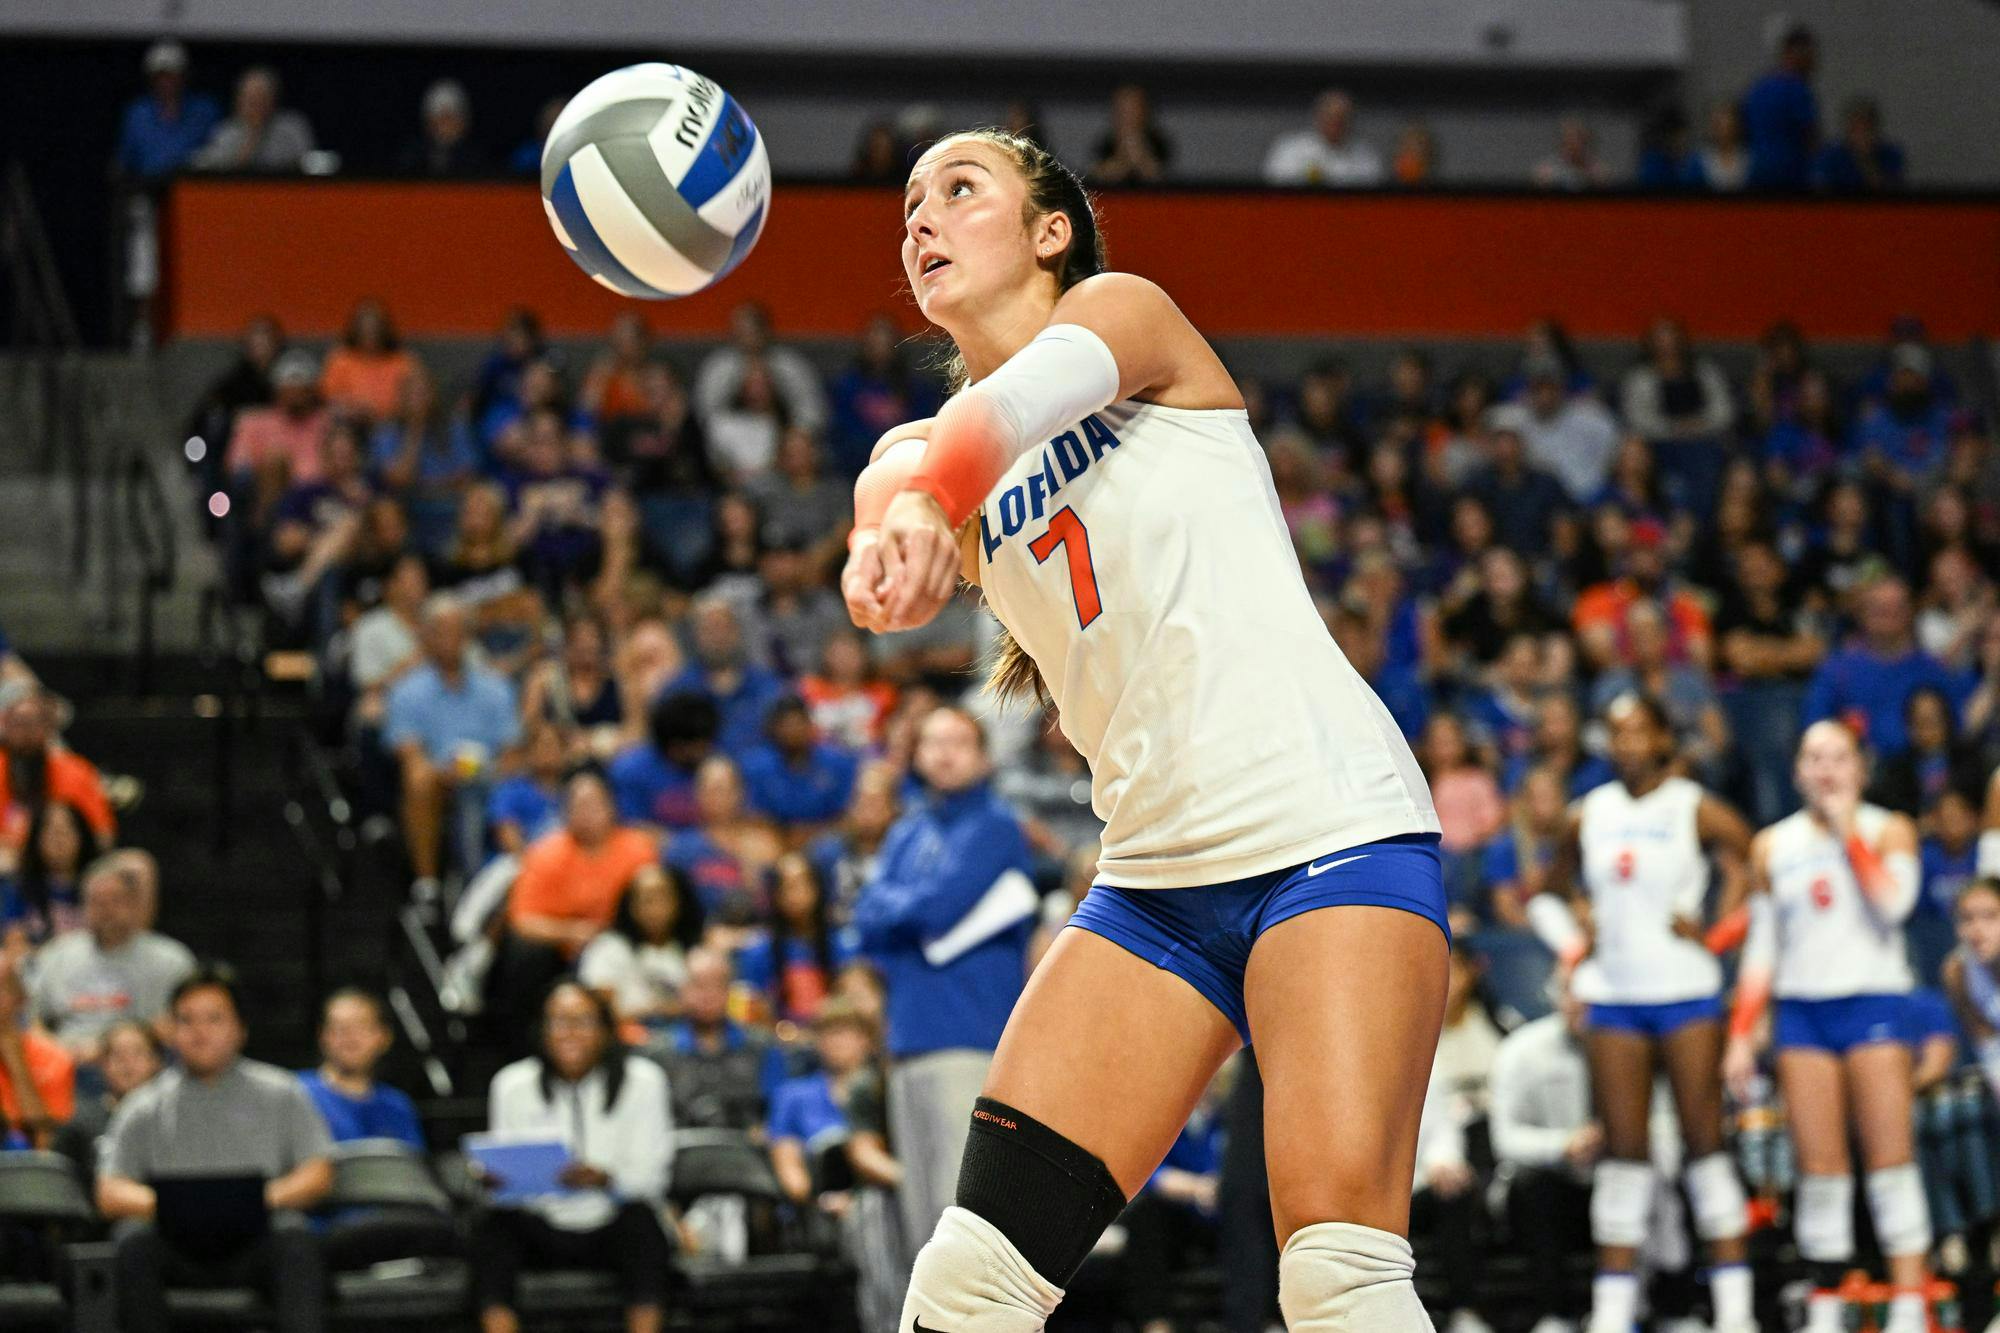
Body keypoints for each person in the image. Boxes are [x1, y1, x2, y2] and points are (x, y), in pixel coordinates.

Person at [848, 126, 1447, 1328]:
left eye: (958, 191)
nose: (919, 218)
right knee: (967, 1286)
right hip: (1156, 884)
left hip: (1326, 831)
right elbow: (895, 501)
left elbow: (1001, 418)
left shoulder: (1127, 316)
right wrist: (888, 555)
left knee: (1334, 1276)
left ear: (1049, 231)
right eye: (907, 202)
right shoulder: (910, 455)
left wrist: (923, 505)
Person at [1527, 693, 1756, 1333]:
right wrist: (1574, 943)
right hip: (1615, 997)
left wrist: (1717, 925)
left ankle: (1735, 1314)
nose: (1626, 743)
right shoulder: (1589, 812)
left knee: (1704, 1145)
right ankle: (1612, 1315)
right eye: (1616, 732)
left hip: (1687, 992)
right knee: (1624, 1153)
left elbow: (1753, 862)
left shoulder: (1691, 804)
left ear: (1662, 738)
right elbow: (1547, 894)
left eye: (1639, 732)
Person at [1724, 721, 1931, 1333]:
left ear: (1859, 768)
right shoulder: (1772, 845)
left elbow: (1894, 905)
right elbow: (1762, 946)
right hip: (1803, 1012)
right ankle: (1825, 1306)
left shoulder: (1889, 828)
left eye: (1838, 758)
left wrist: (1847, 835)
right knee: (1820, 1171)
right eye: (1813, 758)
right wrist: (1741, 1032)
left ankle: (1910, 1303)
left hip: (1872, 1004)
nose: (1826, 770)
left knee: (1891, 1161)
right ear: (1796, 771)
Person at [851, 707, 1036, 1255]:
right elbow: (865, 915)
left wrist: (901, 909)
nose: (944, 753)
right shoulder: (906, 831)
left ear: (983, 756)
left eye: (957, 742)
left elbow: (935, 909)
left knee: (964, 1221)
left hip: (970, 1037)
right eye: (931, 742)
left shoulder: (997, 827)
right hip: (908, 1041)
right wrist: (908, 910)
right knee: (918, 1223)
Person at [96, 964, 333, 1333]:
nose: (199, 1032)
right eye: (186, 1020)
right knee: (131, 1241)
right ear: (172, 1031)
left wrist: (259, 1201)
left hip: (256, 1242)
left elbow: (318, 1173)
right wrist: (179, 1208)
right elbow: (110, 1191)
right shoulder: (142, 1106)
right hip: (173, 1244)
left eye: (213, 1019)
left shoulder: (282, 1092)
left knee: (295, 1237)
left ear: (240, 1029)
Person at [477, 981, 673, 1333]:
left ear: (604, 1029)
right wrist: (498, 1180)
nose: (569, 1033)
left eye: (581, 1021)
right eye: (558, 1021)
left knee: (644, 1227)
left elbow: (653, 1178)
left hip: (612, 1218)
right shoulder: (511, 1084)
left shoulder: (644, 1081)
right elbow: (506, 1173)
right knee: (491, 1230)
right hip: (542, 1220)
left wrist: (605, 1178)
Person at [385, 594, 521, 896]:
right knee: (419, 780)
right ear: (426, 636)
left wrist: (485, 770)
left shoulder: (496, 688)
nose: (450, 638)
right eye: (440, 630)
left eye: (457, 630)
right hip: (440, 779)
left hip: (491, 775)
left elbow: (512, 754)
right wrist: (447, 772)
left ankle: (521, 878)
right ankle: (427, 885)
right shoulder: (406, 691)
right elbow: (409, 755)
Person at [1489, 980, 1598, 1333]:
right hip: (1551, 1191)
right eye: (1571, 992)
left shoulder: (1640, 1046)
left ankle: (1665, 1306)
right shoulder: (1522, 1050)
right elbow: (1505, 1140)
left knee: (1648, 1175)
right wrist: (1563, 1146)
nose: (1580, 1003)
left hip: (1613, 1179)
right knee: (1536, 1187)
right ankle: (1555, 1315)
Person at [29, 857, 194, 1062]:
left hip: (143, 1066)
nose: (106, 911)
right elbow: (30, 1020)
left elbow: (186, 1025)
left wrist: (114, 1046)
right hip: (67, 1063)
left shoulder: (172, 960)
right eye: (96, 902)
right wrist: (55, 1052)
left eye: (115, 901)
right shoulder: (55, 955)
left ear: (134, 905)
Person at [643, 946, 784, 1131]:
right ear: (682, 990)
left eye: (717, 985)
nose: (708, 995)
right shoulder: (656, 1052)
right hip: (677, 1150)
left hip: (748, 1152)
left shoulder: (762, 1047)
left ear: (730, 990)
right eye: (698, 985)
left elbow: (779, 1113)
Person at [578, 864, 704, 1030]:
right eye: (645, 899)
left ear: (679, 901)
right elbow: (600, 1016)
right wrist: (656, 1010)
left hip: (685, 1044)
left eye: (661, 897)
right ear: (630, 906)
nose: (653, 908)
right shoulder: (608, 948)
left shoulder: (697, 950)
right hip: (627, 1041)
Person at [299, 988, 424, 1147]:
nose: (350, 1037)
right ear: (322, 1036)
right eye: (339, 1027)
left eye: (361, 1026)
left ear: (384, 1037)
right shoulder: (297, 1093)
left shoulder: (397, 1106)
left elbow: (411, 1167)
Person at [116, 41, 222, 180]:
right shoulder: (138, 113)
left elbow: (219, 152)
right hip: (147, 188)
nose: (166, 82)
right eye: (160, 76)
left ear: (184, 75)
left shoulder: (204, 110)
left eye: (172, 75)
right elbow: (124, 160)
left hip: (192, 189)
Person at [0, 954, 73, 1151]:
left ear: (20, 999)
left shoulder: (53, 1057)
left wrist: (16, 1063)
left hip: (24, 1166)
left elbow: (47, 1142)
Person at [1741, 22, 1820, 190]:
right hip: (1791, 177)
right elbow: (1811, 137)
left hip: (1758, 174)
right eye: (1810, 54)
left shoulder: (1757, 87)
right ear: (1796, 53)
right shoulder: (1798, 90)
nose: (1814, 62)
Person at [193, 66, 316, 173]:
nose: (256, 106)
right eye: (250, 100)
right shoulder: (226, 132)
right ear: (238, 101)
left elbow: (308, 166)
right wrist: (253, 136)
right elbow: (208, 170)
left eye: (261, 99)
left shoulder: (292, 127)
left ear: (273, 100)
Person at [1263, 89, 1385, 186]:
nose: (1335, 124)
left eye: (1341, 119)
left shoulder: (1366, 156)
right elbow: (1276, 188)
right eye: (1330, 117)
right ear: (1318, 117)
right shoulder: (1290, 149)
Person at [399, 78, 485, 176]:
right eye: (440, 118)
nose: (446, 125)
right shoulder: (413, 156)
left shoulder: (474, 158)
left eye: (451, 118)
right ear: (429, 122)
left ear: (463, 123)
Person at [1090, 83, 1172, 184]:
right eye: (1121, 109)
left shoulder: (1159, 144)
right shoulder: (1105, 145)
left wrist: (1140, 156)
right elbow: (1095, 178)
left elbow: (1164, 177)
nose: (1127, 116)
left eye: (1133, 108)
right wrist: (1121, 162)